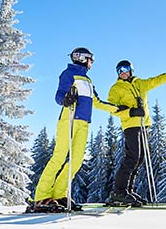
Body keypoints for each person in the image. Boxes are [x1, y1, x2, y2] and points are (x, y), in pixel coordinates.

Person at [31, 47, 125, 213]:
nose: (92, 63)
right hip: (69, 118)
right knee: (59, 157)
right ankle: (41, 196)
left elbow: (97, 102)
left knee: (77, 160)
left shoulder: (88, 81)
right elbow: (59, 95)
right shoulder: (69, 74)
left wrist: (118, 109)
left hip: (84, 123)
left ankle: (59, 194)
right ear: (82, 58)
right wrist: (66, 99)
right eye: (91, 60)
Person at [107, 59, 166, 206]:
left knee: (140, 158)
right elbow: (113, 109)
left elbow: (157, 80)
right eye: (119, 70)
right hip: (131, 126)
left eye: (124, 69)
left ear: (131, 69)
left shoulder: (140, 84)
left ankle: (127, 191)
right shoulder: (115, 89)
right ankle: (118, 192)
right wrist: (131, 112)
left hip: (144, 126)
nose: (122, 73)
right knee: (132, 157)